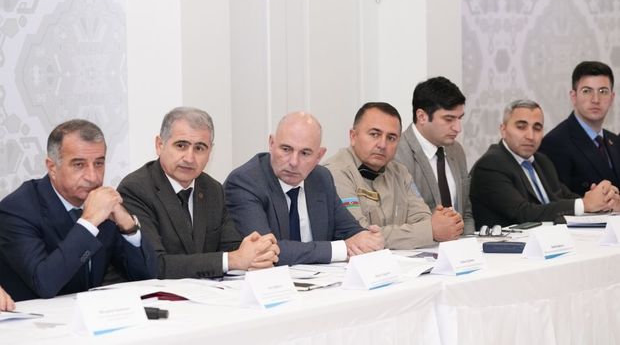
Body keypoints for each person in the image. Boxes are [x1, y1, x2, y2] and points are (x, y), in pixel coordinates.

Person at [0, 120, 157, 301]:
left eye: (99, 163)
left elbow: (147, 278)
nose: (92, 176)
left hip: (87, 313)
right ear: (52, 167)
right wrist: (89, 223)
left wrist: (128, 227)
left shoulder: (103, 203)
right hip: (33, 315)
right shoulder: (17, 210)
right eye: (79, 165)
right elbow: (45, 284)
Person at [118, 107, 279, 279]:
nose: (189, 158)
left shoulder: (212, 189)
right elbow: (156, 264)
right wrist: (232, 260)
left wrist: (258, 254)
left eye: (200, 148)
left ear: (210, 151)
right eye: (181, 146)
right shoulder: (136, 189)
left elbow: (232, 249)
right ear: (160, 145)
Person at [224, 112, 384, 266]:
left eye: (305, 153)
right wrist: (340, 249)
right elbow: (264, 250)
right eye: (286, 149)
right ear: (271, 144)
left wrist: (368, 238)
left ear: (319, 155)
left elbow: (350, 230)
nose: (294, 162)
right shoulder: (245, 182)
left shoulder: (321, 178)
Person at [325, 102, 463, 250]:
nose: (382, 145)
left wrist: (441, 224)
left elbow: (423, 219)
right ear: (353, 136)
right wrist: (430, 231)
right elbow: (359, 235)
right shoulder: (334, 173)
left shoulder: (400, 172)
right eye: (374, 134)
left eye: (391, 138)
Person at [470, 100, 620, 229]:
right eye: (521, 127)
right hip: (507, 249)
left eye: (537, 128)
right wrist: (585, 204)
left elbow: (566, 197)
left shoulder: (542, 161)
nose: (530, 136)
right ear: (503, 130)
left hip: (549, 243)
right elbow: (524, 213)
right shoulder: (491, 164)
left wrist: (603, 201)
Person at [395, 77, 475, 235]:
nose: (458, 128)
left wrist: (470, 243)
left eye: (459, 118)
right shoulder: (397, 153)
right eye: (449, 119)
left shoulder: (456, 150)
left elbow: (465, 213)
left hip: (461, 245)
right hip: (421, 247)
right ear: (422, 116)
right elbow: (401, 219)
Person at [540, 61, 620, 196]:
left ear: (612, 98)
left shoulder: (615, 141)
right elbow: (558, 201)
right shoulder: (554, 143)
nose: (596, 99)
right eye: (587, 91)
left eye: (603, 91)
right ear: (573, 97)